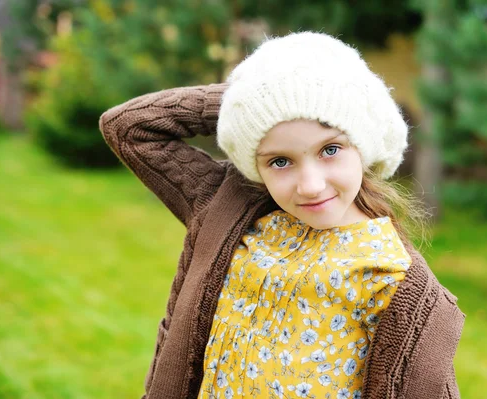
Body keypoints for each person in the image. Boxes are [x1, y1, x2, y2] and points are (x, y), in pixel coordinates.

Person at [99, 31, 465, 399]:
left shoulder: (392, 281)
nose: (309, 184)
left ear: (363, 141)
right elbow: (129, 127)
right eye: (280, 161)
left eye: (330, 149)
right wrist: (253, 99)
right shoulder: (228, 209)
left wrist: (306, 88)